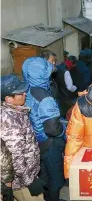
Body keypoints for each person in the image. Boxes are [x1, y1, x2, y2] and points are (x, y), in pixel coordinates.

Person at [22, 57, 66, 201]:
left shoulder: (27, 90)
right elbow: (52, 128)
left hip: (36, 142)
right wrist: (63, 131)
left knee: (45, 175)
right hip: (50, 143)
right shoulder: (44, 96)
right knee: (57, 180)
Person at [1, 74, 45, 201]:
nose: (25, 94)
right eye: (20, 93)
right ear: (9, 98)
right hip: (21, 183)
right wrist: (30, 182)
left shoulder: (16, 111)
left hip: (26, 176)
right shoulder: (10, 122)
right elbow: (15, 157)